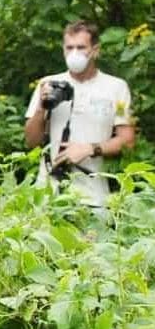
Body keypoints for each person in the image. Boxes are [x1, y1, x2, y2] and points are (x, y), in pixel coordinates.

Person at [24, 20, 136, 208]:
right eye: (69, 48)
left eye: (81, 47)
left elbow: (128, 141)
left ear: (95, 50)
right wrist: (41, 108)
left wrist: (90, 149)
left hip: (93, 194)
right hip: (49, 192)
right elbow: (31, 141)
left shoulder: (116, 88)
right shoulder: (48, 84)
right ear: (63, 50)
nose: (74, 53)